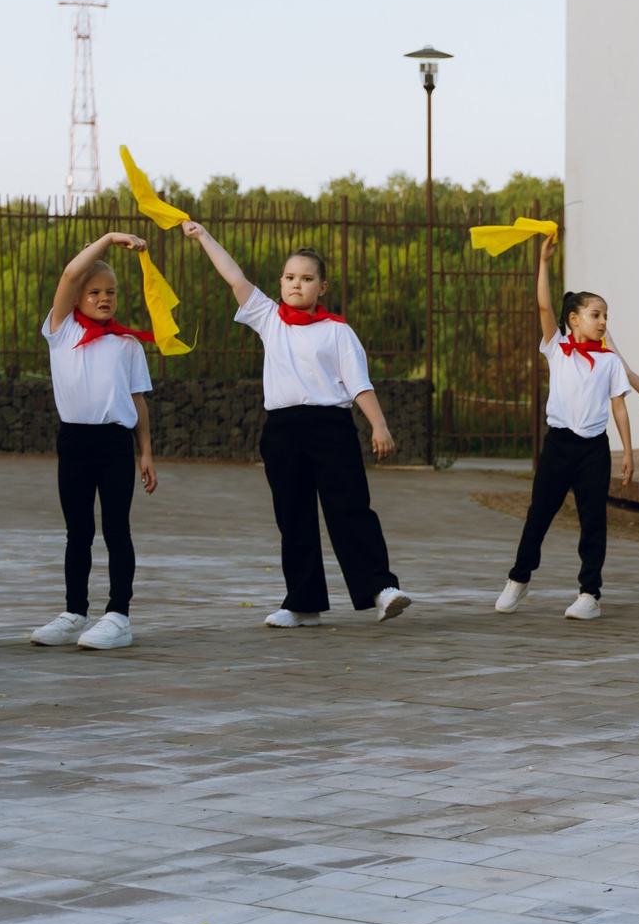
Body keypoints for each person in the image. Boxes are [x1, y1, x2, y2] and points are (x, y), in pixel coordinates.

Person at [184, 224, 407, 627]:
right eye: (289, 278)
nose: (296, 285)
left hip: (331, 427)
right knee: (293, 515)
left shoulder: (338, 331)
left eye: (306, 279)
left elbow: (359, 384)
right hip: (283, 431)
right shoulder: (268, 318)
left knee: (350, 508)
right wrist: (203, 237)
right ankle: (303, 604)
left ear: (321, 288)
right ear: (281, 283)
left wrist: (379, 426)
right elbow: (233, 276)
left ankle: (382, 589)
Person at [27, 231, 160, 651]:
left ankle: (118, 615)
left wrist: (146, 453)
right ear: (77, 299)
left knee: (116, 529)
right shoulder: (60, 331)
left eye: (111, 292)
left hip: (115, 444)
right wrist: (107, 239)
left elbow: (136, 399)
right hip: (74, 442)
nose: (104, 298)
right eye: (95, 292)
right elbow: (69, 274)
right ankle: (74, 612)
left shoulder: (127, 343)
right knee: (77, 531)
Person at [498, 232, 638, 617]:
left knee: (594, 520)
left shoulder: (609, 361)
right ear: (574, 319)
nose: (603, 321)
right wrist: (543, 262)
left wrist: (626, 451)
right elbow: (544, 307)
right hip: (558, 444)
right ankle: (519, 578)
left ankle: (589, 594)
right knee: (538, 514)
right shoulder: (557, 347)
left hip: (594, 449)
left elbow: (620, 408)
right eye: (596, 315)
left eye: (606, 316)